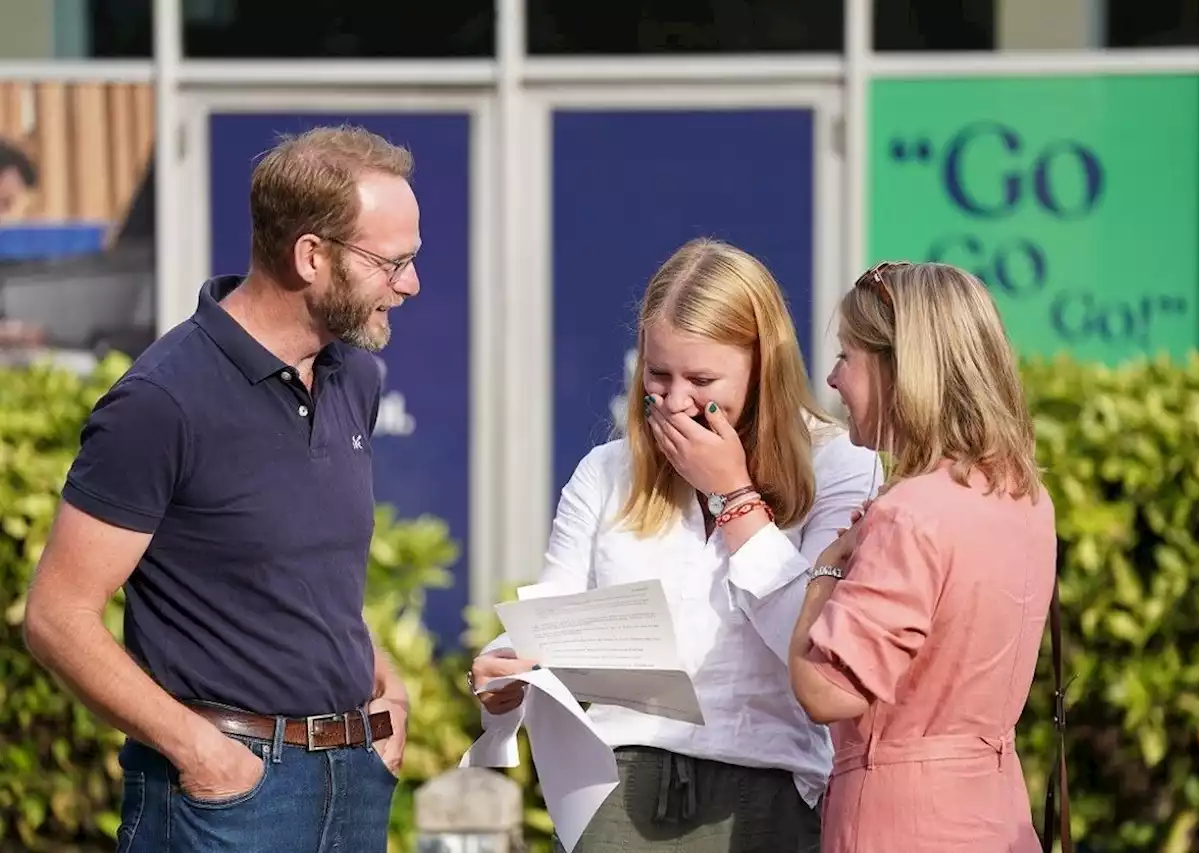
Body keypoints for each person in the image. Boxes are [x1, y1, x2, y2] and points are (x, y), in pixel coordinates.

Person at [23, 124, 420, 853]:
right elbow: (56, 615)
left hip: (353, 786)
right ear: (311, 255)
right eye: (391, 262)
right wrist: (203, 754)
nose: (410, 284)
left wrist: (382, 682)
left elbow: (303, 576)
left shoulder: (352, 375)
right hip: (225, 802)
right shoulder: (160, 401)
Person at [471, 237, 883, 853]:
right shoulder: (607, 470)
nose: (677, 400)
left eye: (703, 379)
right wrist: (506, 670)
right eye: (658, 376)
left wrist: (734, 495)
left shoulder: (841, 466)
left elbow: (817, 647)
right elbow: (552, 615)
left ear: (762, 367)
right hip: (615, 786)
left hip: (768, 791)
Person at [788, 261, 1056, 853]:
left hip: (900, 821)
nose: (832, 378)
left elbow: (826, 690)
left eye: (848, 356)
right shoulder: (1026, 499)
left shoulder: (910, 513)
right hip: (996, 814)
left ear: (901, 369)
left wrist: (828, 567)